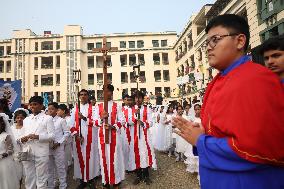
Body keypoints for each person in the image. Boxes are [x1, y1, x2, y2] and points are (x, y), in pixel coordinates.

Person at [172, 14, 284, 189]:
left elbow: (258, 148)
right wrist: (204, 131)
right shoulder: (218, 81)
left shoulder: (256, 78)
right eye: (206, 43)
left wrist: (201, 141)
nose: (209, 48)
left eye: (215, 40)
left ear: (240, 41)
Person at [93, 84, 126, 189]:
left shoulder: (118, 106)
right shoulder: (98, 106)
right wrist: (102, 119)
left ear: (111, 92)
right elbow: (94, 122)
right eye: (104, 91)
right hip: (102, 136)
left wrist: (113, 126)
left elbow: (122, 121)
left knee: (115, 158)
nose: (105, 93)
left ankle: (116, 181)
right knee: (104, 159)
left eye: (108, 91)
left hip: (114, 136)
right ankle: (105, 181)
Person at [20, 96, 55, 189]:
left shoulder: (48, 118)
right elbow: (23, 135)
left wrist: (37, 136)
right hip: (28, 151)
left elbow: (52, 136)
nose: (32, 106)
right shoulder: (26, 120)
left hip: (41, 152)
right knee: (29, 178)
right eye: (30, 105)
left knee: (42, 178)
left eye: (35, 104)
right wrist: (22, 139)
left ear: (41, 105)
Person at [69, 89, 100, 189]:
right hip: (79, 138)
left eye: (85, 95)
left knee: (91, 158)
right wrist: (76, 135)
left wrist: (84, 118)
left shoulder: (94, 108)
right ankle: (82, 180)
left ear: (88, 96)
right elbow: (70, 124)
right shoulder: (75, 109)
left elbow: (97, 122)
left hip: (91, 137)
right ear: (79, 96)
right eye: (81, 95)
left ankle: (91, 179)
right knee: (80, 158)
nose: (83, 96)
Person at [128, 90, 157, 185]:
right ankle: (138, 175)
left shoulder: (147, 109)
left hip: (144, 137)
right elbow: (128, 122)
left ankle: (146, 175)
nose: (137, 99)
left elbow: (151, 122)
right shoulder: (131, 109)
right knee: (136, 154)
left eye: (139, 97)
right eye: (136, 98)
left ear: (142, 98)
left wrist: (143, 123)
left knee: (145, 154)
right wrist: (135, 116)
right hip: (134, 136)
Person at [47, 102, 70, 189]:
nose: (50, 111)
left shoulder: (61, 120)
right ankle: (51, 185)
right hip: (48, 147)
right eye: (49, 109)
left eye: (52, 109)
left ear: (56, 110)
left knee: (60, 167)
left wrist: (59, 142)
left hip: (58, 147)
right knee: (49, 168)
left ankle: (63, 185)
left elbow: (67, 133)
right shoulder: (46, 120)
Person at [0, 114, 20, 189]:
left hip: (4, 162)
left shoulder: (6, 136)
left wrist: (2, 155)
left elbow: (10, 150)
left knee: (5, 182)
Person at [10, 108, 29, 186]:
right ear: (15, 118)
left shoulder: (27, 127)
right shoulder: (12, 128)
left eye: (22, 118)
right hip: (14, 151)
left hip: (24, 150)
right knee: (16, 170)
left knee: (24, 170)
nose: (20, 119)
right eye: (18, 117)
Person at [57, 104, 73, 170]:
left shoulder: (69, 119)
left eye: (58, 110)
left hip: (66, 142)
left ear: (63, 111)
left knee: (65, 158)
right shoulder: (58, 119)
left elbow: (69, 131)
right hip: (59, 142)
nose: (57, 112)